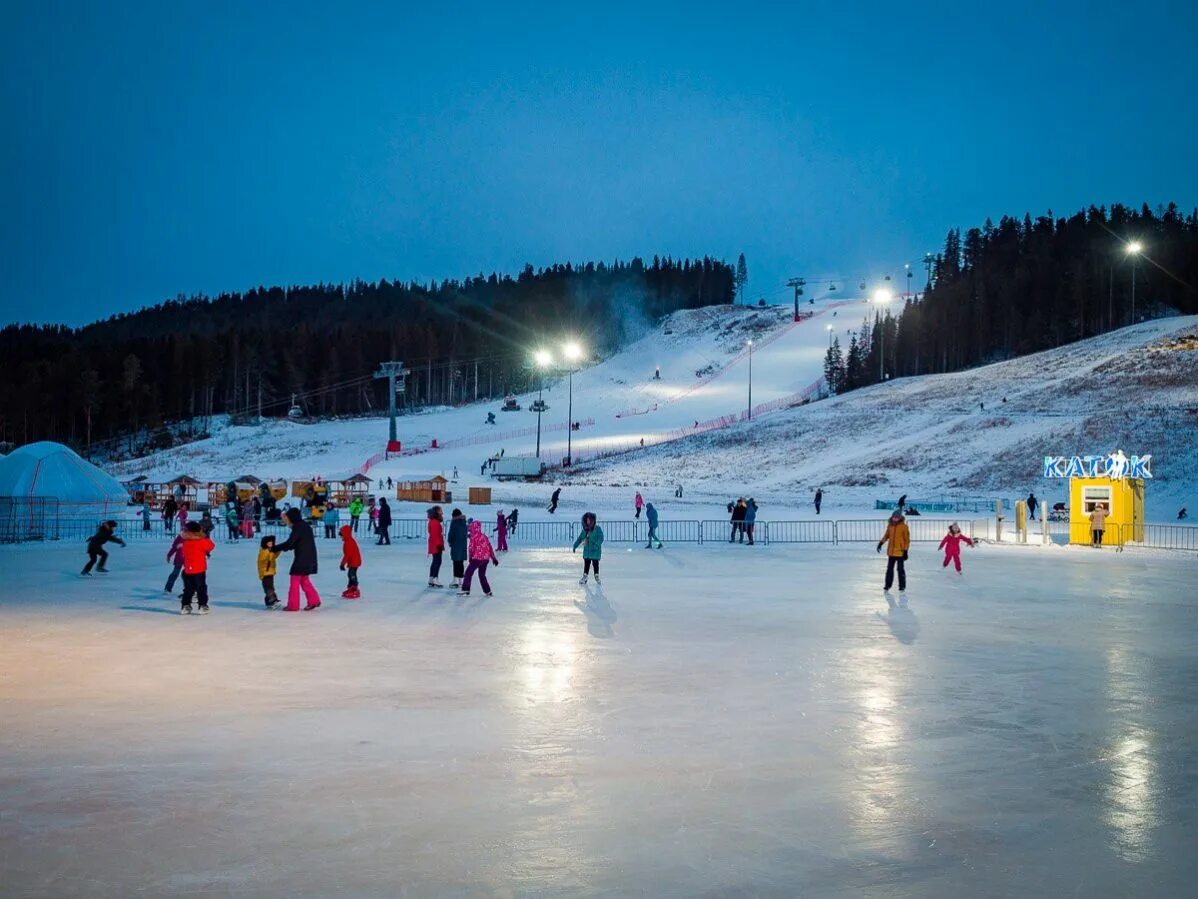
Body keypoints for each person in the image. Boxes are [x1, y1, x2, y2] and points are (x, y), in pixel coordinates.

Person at [273, 508, 321, 611]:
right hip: (310, 556)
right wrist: (287, 547)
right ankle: (314, 600)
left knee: (294, 580)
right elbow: (297, 542)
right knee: (304, 580)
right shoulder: (304, 525)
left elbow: (290, 542)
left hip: (302, 558)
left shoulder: (298, 527)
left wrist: (275, 548)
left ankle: (293, 605)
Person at [178, 521, 216, 615]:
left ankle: (185, 605)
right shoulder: (200, 542)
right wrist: (205, 536)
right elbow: (211, 546)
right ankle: (202, 605)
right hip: (199, 569)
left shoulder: (186, 542)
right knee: (201, 588)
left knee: (188, 589)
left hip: (187, 570)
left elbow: (183, 553)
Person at [458, 519, 498, 597]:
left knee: (468, 573)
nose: (469, 528)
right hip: (485, 559)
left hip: (477, 559)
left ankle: (466, 590)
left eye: (470, 527)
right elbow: (489, 547)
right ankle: (488, 591)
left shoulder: (474, 537)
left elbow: (471, 549)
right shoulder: (484, 536)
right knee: (482, 575)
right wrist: (493, 558)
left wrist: (470, 559)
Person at [877, 511, 911, 593]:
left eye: (897, 517)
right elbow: (886, 536)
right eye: (894, 517)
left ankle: (902, 586)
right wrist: (881, 543)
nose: (895, 519)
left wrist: (906, 551)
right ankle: (887, 585)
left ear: (900, 518)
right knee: (889, 569)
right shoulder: (890, 526)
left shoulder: (904, 527)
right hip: (891, 552)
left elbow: (907, 540)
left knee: (900, 569)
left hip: (900, 552)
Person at [572, 512, 604, 584]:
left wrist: (596, 545)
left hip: (595, 551)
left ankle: (596, 576)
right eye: (586, 520)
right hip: (587, 551)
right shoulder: (584, 530)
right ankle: (585, 577)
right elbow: (580, 538)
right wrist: (575, 546)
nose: (588, 521)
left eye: (589, 520)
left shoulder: (597, 529)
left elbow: (601, 538)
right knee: (586, 564)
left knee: (595, 563)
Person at [448, 508, 468, 588]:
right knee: (461, 563)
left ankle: (455, 580)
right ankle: (461, 580)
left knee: (456, 563)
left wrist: (450, 542)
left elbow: (451, 534)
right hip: (463, 546)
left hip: (456, 546)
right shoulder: (464, 523)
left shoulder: (454, 523)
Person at [340, 524, 362, 598]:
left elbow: (347, 555)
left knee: (352, 574)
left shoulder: (349, 542)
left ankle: (355, 588)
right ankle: (351, 588)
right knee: (350, 574)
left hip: (354, 561)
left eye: (342, 535)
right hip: (353, 561)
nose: (341, 537)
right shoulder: (348, 541)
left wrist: (342, 564)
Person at [258, 535, 280, 608]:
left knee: (270, 587)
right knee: (268, 587)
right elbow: (265, 559)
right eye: (269, 543)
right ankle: (272, 600)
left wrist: (278, 550)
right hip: (265, 572)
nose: (271, 544)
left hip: (270, 572)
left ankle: (270, 601)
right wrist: (272, 552)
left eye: (271, 542)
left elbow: (274, 557)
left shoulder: (270, 550)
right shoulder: (263, 551)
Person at [426, 506, 445, 588]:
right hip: (436, 545)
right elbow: (435, 535)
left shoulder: (434, 521)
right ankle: (435, 578)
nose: (442, 512)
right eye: (440, 511)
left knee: (435, 561)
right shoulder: (435, 522)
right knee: (437, 561)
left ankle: (431, 578)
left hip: (435, 544)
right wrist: (438, 545)